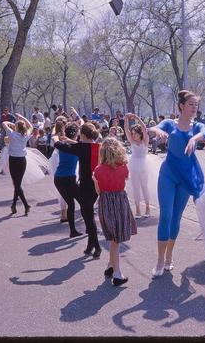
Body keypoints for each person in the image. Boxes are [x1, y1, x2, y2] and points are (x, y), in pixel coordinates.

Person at [146, 90, 205, 278]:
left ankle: (169, 256)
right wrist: (157, 130)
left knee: (176, 217)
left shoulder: (197, 126)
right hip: (168, 174)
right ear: (181, 105)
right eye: (190, 104)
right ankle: (159, 260)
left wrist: (193, 138)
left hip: (186, 177)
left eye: (196, 105)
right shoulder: (169, 123)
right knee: (165, 214)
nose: (194, 108)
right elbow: (154, 128)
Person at [93, 137, 137, 286]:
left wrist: (95, 181)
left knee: (113, 238)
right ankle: (117, 274)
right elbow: (124, 181)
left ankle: (111, 266)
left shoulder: (98, 170)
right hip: (120, 201)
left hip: (106, 202)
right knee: (116, 240)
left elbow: (98, 191)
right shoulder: (123, 166)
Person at [55, 123, 102, 258]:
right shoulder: (97, 146)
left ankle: (97, 246)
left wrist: (55, 139)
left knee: (88, 215)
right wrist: (69, 140)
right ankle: (90, 245)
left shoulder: (81, 147)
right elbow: (78, 145)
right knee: (87, 212)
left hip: (86, 185)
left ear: (83, 135)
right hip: (97, 185)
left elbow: (60, 146)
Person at [52, 122, 82, 237]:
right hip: (68, 178)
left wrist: (61, 136)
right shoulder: (77, 147)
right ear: (75, 135)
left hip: (59, 178)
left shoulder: (61, 145)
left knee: (71, 203)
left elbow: (54, 138)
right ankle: (87, 228)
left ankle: (73, 231)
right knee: (81, 202)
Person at [2, 113, 33, 215]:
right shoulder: (26, 135)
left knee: (17, 184)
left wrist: (12, 124)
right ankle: (14, 205)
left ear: (16, 127)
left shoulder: (12, 133)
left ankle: (25, 204)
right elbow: (31, 126)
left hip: (13, 160)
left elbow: (3, 123)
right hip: (22, 160)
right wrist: (22, 118)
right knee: (18, 183)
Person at [124, 113, 151, 218]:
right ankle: (138, 209)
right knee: (135, 187)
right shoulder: (132, 142)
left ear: (140, 134)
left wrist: (136, 118)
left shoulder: (145, 141)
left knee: (144, 187)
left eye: (135, 133)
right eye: (133, 133)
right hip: (133, 166)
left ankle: (148, 207)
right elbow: (126, 130)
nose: (133, 135)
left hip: (144, 166)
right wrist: (126, 119)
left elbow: (144, 128)